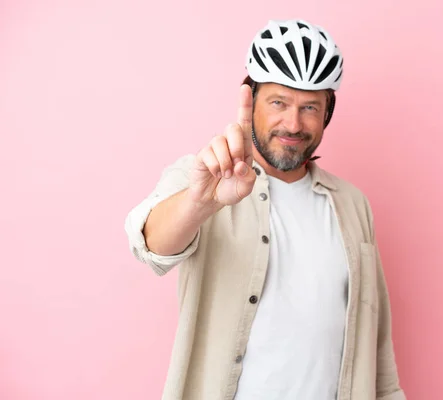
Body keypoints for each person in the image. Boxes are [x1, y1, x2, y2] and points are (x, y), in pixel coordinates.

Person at [124, 18, 407, 400]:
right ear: (250, 100)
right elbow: (150, 247)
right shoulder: (206, 176)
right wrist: (199, 203)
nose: (293, 123)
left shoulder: (353, 204)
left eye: (309, 106)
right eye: (278, 102)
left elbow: (378, 349)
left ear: (327, 113)